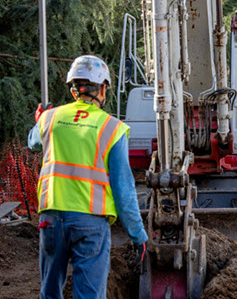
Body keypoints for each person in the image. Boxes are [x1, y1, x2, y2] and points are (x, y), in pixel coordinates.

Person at [28, 55, 148, 299]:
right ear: (103, 88)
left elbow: (33, 142)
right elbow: (123, 189)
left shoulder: (50, 119)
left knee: (49, 293)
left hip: (50, 219)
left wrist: (41, 118)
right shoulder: (111, 128)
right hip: (90, 223)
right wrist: (138, 236)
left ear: (74, 90)